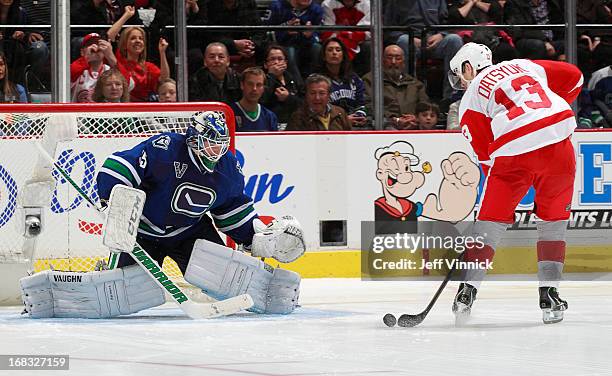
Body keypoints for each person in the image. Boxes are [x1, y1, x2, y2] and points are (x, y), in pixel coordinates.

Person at [19, 111, 305, 318]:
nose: (216, 149)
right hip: (142, 234)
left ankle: (271, 293)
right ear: (194, 138)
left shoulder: (227, 167)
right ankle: (66, 289)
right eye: (210, 141)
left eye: (220, 142)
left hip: (191, 233)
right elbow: (120, 165)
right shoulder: (166, 148)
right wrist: (112, 196)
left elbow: (231, 210)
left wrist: (255, 237)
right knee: (122, 292)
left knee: (227, 279)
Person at [449, 43, 583, 324]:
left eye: (459, 75)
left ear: (468, 67)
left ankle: (467, 291)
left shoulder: (471, 97)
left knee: (490, 222)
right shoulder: (524, 64)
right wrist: (549, 107)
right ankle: (550, 293)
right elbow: (574, 75)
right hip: (558, 135)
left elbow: (485, 156)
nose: (460, 83)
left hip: (513, 148)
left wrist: (503, 196)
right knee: (553, 220)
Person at [362, 45, 429, 130]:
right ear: (382, 61)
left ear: (404, 62)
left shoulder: (415, 84)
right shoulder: (371, 80)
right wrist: (394, 120)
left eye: (398, 58)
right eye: (389, 58)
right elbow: (368, 105)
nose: (393, 62)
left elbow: (425, 107)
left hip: (413, 125)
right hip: (384, 126)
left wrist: (416, 118)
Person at [265, 0, 324, 80]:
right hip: (283, 45)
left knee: (317, 48)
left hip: (306, 46)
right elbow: (265, 33)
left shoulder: (316, 9)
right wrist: (285, 32)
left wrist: (310, 35)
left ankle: (315, 82)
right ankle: (298, 87)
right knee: (289, 52)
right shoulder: (277, 6)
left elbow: (320, 35)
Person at [317, 37, 366, 127]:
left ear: (343, 55)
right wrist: (344, 119)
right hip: (328, 127)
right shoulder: (317, 81)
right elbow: (316, 109)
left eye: (338, 50)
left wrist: (359, 117)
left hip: (355, 125)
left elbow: (362, 104)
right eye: (330, 50)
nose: (334, 53)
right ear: (324, 56)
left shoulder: (354, 79)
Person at [115, 26, 170, 102]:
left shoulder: (148, 66)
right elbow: (110, 36)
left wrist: (162, 52)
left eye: (141, 38)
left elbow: (164, 78)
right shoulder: (118, 61)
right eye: (133, 38)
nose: (138, 41)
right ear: (124, 44)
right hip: (123, 105)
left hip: (143, 107)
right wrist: (128, 14)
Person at [287, 73, 351, 131]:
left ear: (329, 95)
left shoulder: (340, 113)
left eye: (322, 93)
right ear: (306, 95)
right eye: (312, 93)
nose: (317, 98)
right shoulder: (298, 118)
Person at [261, 44, 304, 126]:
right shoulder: (260, 80)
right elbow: (261, 100)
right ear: (265, 64)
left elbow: (304, 103)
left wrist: (288, 98)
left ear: (286, 63)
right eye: (272, 59)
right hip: (270, 124)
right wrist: (271, 76)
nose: (276, 62)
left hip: (294, 124)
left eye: (280, 59)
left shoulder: (293, 79)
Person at [71, 33, 117, 103]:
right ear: (82, 52)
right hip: (79, 112)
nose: (95, 47)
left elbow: (128, 84)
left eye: (99, 44)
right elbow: (67, 76)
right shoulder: (76, 69)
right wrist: (86, 58)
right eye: (90, 44)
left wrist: (110, 55)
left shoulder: (110, 70)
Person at [230, 67, 279, 132]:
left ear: (263, 88)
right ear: (242, 85)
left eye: (259, 85)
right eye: (250, 84)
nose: (254, 88)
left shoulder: (270, 117)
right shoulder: (229, 113)